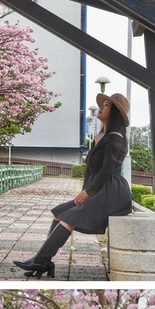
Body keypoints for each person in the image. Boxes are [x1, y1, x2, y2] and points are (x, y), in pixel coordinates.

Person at [14, 92, 133, 278]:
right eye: (103, 104)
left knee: (69, 217)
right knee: (60, 213)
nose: (102, 107)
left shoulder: (116, 138)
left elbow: (107, 170)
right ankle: (45, 262)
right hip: (101, 188)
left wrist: (88, 192)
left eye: (107, 105)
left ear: (116, 112)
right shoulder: (101, 136)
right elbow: (92, 169)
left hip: (113, 192)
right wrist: (85, 190)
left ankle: (39, 260)